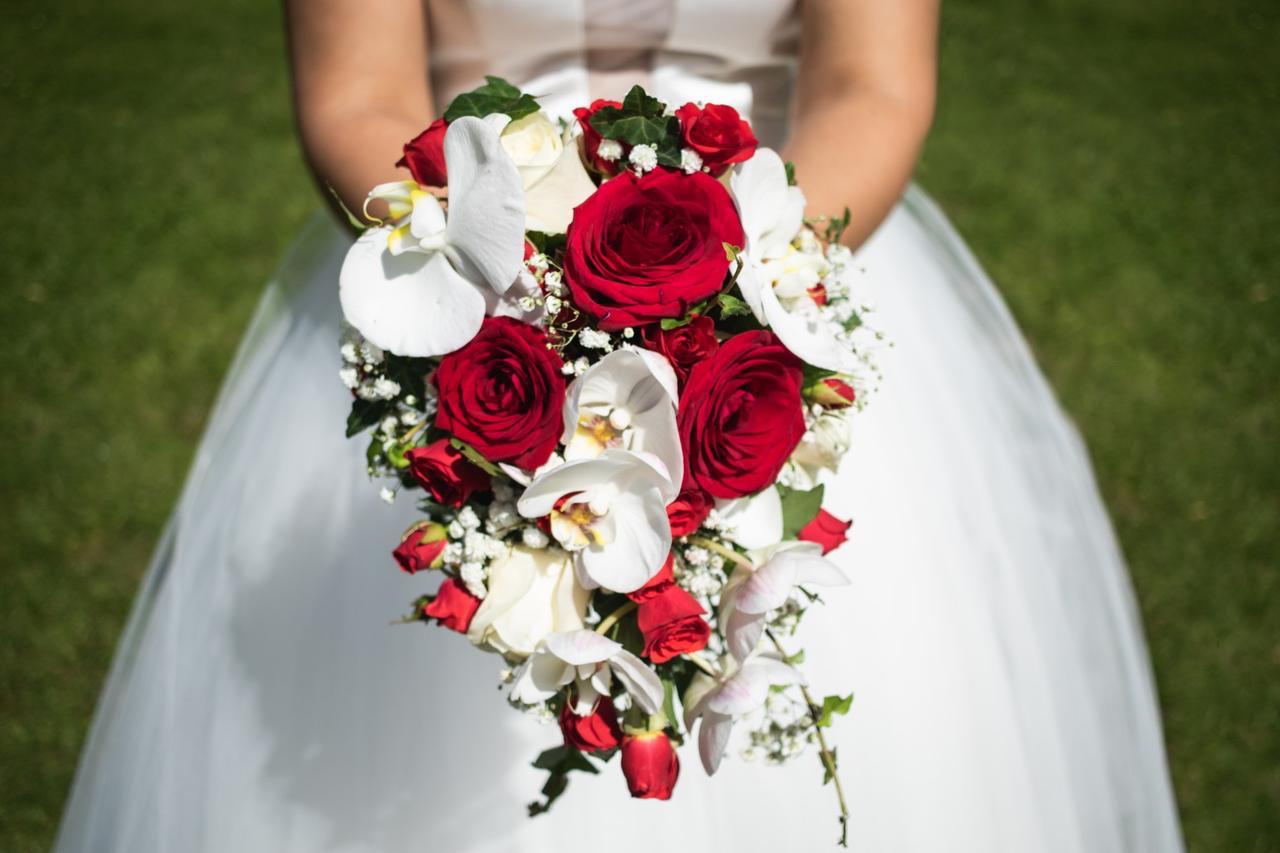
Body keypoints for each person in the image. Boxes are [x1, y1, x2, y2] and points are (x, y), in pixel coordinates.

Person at [55, 1, 1185, 850]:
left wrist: (730, 313)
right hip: (458, 273)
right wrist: (515, 297)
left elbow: (872, 88)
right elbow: (354, 94)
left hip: (779, 260)